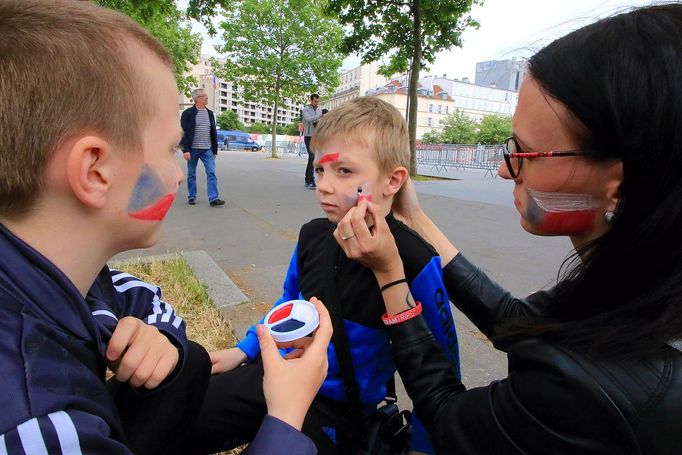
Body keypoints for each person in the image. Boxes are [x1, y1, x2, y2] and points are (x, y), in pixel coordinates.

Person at [333, 4, 682, 453]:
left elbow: (449, 417)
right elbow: (520, 323)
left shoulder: (590, 388)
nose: (503, 169)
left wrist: (390, 277)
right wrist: (415, 219)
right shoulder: (638, 284)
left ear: (620, 186)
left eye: (526, 152)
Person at [0, 1, 331, 454]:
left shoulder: (66, 275)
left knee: (186, 362)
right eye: (170, 149)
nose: (178, 173)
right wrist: (285, 419)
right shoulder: (41, 426)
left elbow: (133, 295)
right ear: (96, 171)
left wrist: (161, 341)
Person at [188, 97, 461, 454]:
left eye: (343, 171)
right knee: (183, 411)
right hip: (278, 375)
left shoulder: (415, 259)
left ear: (392, 180)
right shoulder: (312, 235)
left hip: (339, 409)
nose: (324, 185)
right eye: (319, 170)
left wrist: (426, 446)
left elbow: (442, 363)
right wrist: (244, 350)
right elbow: (288, 301)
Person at [180, 89, 226, 207]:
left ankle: (213, 198)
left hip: (207, 149)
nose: (207, 97)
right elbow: (182, 132)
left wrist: (214, 150)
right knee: (191, 174)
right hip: (192, 149)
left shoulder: (210, 113)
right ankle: (192, 196)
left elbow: (213, 132)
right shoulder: (188, 113)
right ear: (198, 99)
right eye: (204, 96)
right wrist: (185, 150)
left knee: (211, 172)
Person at [301, 93, 323, 189]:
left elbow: (320, 120)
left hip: (316, 136)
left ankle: (308, 179)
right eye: (315, 101)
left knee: (313, 158)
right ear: (311, 100)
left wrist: (321, 119)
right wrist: (319, 116)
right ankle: (311, 180)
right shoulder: (305, 110)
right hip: (308, 136)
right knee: (312, 156)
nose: (316, 103)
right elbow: (308, 119)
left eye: (318, 101)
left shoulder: (319, 110)